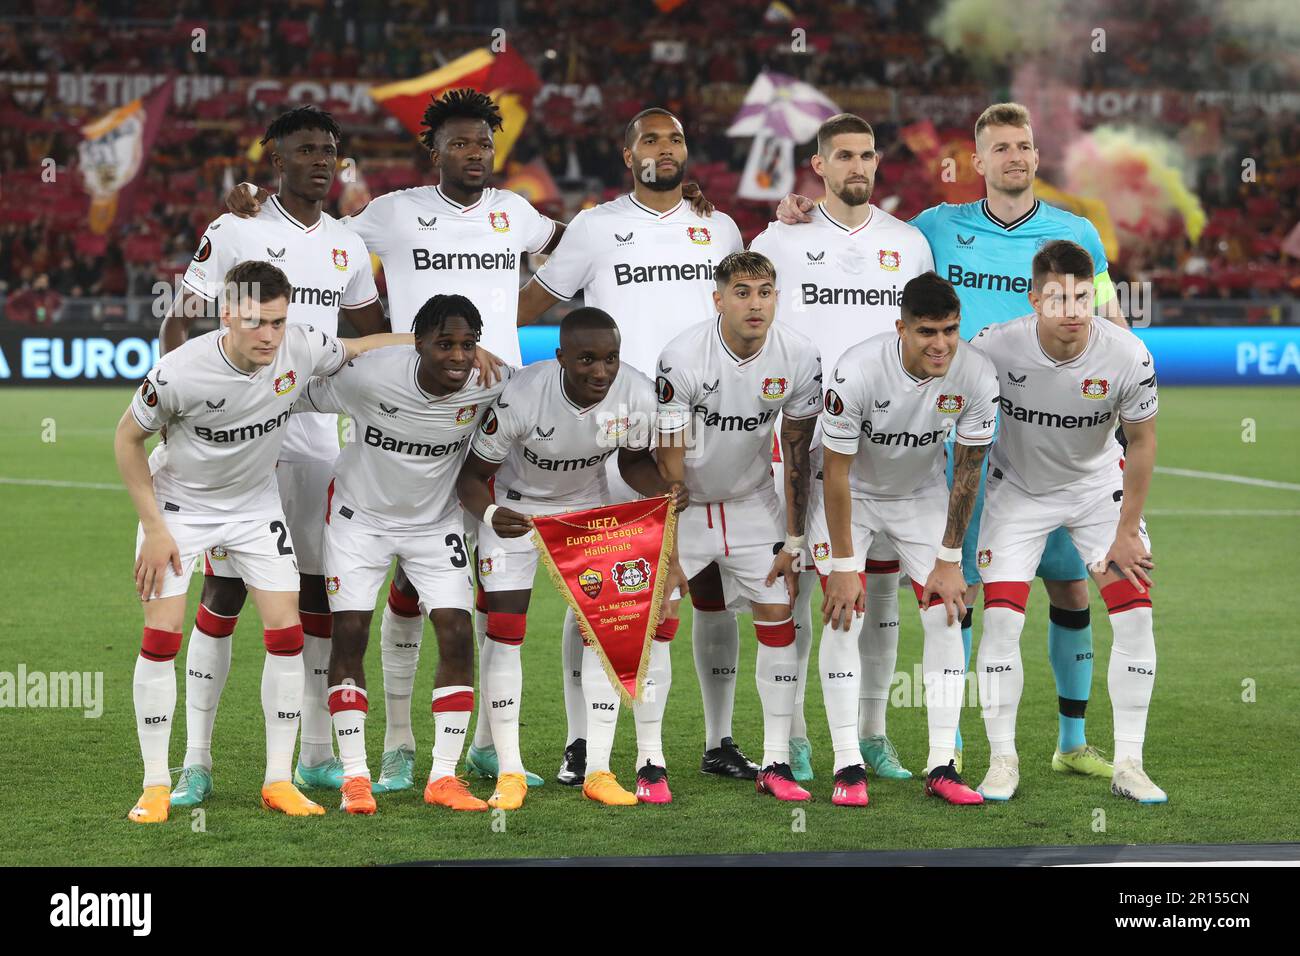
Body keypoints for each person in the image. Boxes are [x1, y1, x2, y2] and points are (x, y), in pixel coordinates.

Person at [776, 102, 1125, 777]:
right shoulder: (935, 227)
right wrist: (803, 210)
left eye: (1024, 145)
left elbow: (1107, 319)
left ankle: (1071, 741)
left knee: (1070, 587)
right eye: (1001, 147)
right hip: (958, 437)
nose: (1016, 157)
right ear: (979, 159)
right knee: (955, 582)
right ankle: (955, 742)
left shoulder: (1076, 232)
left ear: (1034, 154)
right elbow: (858, 234)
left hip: (1046, 441)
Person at [115, 260, 410, 823]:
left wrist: (430, 341)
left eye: (277, 322)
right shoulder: (180, 372)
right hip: (181, 509)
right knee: (161, 635)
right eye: (255, 322)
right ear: (226, 314)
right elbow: (127, 439)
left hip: (255, 508)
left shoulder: (299, 348)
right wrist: (154, 527)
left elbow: (360, 346)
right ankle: (157, 783)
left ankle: (278, 778)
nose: (268, 336)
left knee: (287, 633)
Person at [160, 106, 389, 804]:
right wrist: (182, 407)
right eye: (306, 150)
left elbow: (368, 340)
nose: (322, 162)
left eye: (330, 151)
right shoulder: (236, 229)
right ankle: (196, 761)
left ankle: (315, 754)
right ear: (274, 157)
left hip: (320, 443)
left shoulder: (348, 244)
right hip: (244, 445)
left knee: (316, 592)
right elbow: (180, 317)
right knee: (224, 591)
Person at [516, 107, 751, 785]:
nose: (664, 147)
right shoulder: (594, 227)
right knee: (598, 584)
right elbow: (530, 307)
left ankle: (718, 739)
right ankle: (581, 743)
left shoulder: (720, 227)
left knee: (703, 583)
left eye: (675, 136)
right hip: (618, 428)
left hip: (704, 426)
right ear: (628, 156)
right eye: (650, 138)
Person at [750, 112, 935, 782]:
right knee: (798, 589)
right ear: (819, 166)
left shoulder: (909, 244)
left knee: (878, 598)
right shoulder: (781, 239)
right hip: (798, 441)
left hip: (887, 451)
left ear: (878, 162)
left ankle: (874, 734)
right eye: (843, 157)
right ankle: (792, 736)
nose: (857, 167)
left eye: (867, 156)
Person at [455, 308, 688, 809]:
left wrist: (664, 491)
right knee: (505, 633)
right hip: (516, 514)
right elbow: (471, 477)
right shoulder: (520, 397)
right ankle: (510, 771)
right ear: (559, 357)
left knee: (603, 633)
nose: (600, 372)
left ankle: (599, 770)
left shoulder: (638, 393)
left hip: (588, 514)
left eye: (610, 359)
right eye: (586, 359)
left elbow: (632, 461)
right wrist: (493, 513)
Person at [292, 294, 510, 814]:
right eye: (444, 344)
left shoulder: (493, 381)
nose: (457, 357)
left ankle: (443, 776)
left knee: (456, 633)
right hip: (357, 521)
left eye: (467, 345)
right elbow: (294, 392)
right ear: (418, 344)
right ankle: (354, 776)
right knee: (350, 633)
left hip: (435, 524)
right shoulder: (369, 377)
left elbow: (543, 396)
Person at [968, 240, 1164, 803]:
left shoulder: (1127, 353)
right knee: (1002, 623)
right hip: (1018, 494)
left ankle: (1130, 763)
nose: (1072, 310)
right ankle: (1002, 761)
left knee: (1135, 620)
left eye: (1082, 296)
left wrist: (1128, 530)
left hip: (1097, 491)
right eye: (1056, 298)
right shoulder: (994, 348)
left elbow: (1144, 442)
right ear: (1034, 299)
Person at [814, 272, 998, 806]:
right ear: (901, 328)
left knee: (946, 610)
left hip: (919, 494)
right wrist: (846, 564)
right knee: (844, 612)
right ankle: (847, 764)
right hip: (854, 493)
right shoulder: (857, 371)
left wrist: (949, 559)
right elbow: (837, 472)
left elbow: (968, 470)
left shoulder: (977, 374)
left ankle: (942, 764)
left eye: (950, 330)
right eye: (926, 332)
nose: (940, 344)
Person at [655, 251, 822, 801]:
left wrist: (795, 539)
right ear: (719, 298)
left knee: (778, 616)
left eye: (766, 292)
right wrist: (671, 549)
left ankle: (775, 762)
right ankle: (649, 762)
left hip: (753, 503)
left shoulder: (799, 355)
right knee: (661, 617)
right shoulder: (682, 358)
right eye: (744, 293)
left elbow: (797, 452)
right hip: (690, 507)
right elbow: (670, 458)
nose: (756, 304)